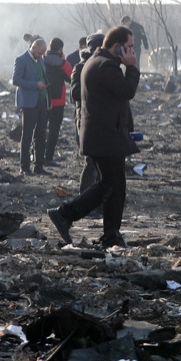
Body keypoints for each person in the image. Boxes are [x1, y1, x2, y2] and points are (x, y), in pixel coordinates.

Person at [48, 26, 140, 248]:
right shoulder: (105, 65)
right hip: (106, 137)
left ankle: (100, 230)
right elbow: (127, 91)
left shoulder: (99, 62)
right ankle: (69, 215)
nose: (131, 52)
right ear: (116, 46)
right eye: (128, 47)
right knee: (113, 186)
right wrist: (132, 67)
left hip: (104, 135)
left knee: (110, 185)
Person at [70, 33, 105, 195]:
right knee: (91, 162)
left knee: (101, 163)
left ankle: (95, 199)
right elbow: (75, 93)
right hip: (86, 119)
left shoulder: (104, 65)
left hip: (102, 119)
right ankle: (84, 199)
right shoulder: (80, 67)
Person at [12, 37, 50, 175]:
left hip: (42, 100)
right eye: (39, 53)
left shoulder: (40, 60)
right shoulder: (21, 59)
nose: (41, 56)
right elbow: (16, 80)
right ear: (33, 48)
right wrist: (35, 85)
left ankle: (38, 166)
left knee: (41, 134)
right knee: (27, 134)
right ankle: (24, 166)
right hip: (28, 102)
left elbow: (43, 77)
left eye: (43, 53)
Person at [43, 37, 72, 165]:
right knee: (54, 130)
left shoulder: (41, 60)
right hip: (58, 102)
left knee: (39, 129)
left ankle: (36, 156)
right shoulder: (64, 64)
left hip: (42, 100)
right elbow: (71, 78)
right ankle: (48, 157)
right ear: (60, 49)